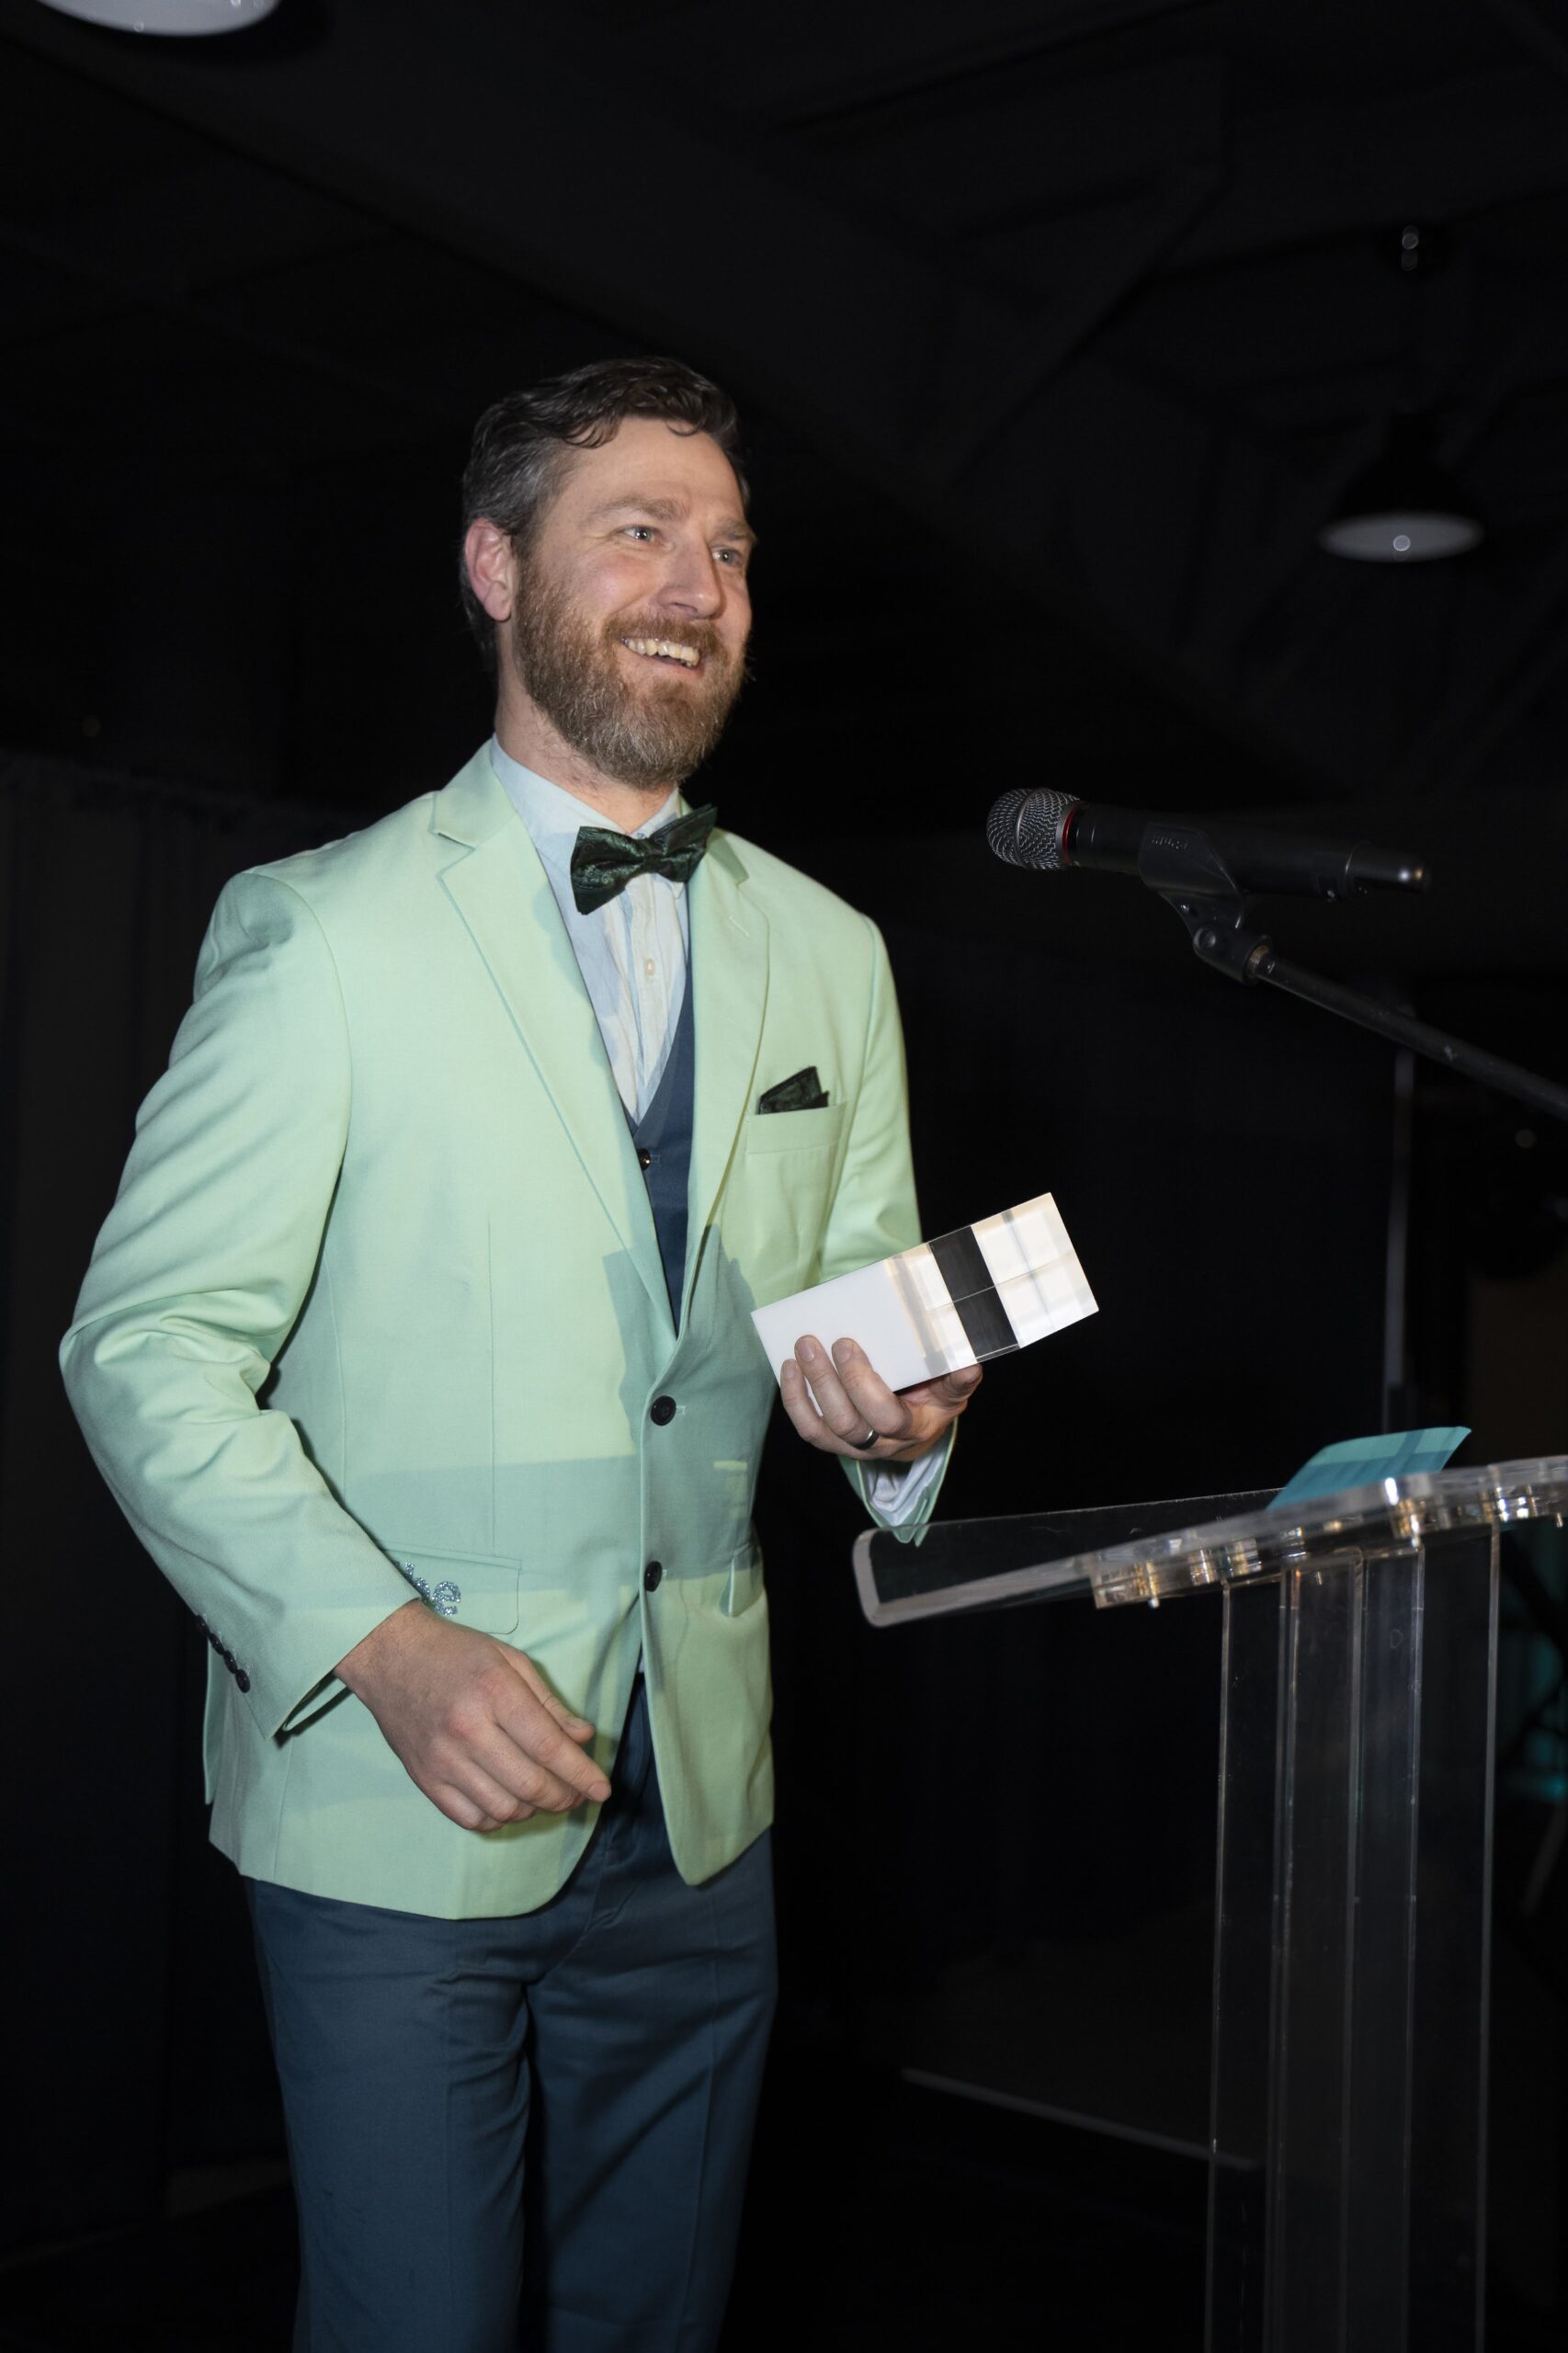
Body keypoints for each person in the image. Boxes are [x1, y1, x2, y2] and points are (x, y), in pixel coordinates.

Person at [60, 356, 980, 2352]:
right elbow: (143, 1346)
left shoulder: (832, 953)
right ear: (494, 567)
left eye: (726, 546)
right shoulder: (321, 931)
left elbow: (863, 1321)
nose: (695, 582)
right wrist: (379, 1642)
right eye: (636, 530)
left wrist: (900, 1424)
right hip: (400, 1802)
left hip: (706, 1808)